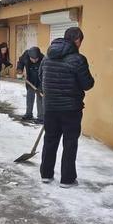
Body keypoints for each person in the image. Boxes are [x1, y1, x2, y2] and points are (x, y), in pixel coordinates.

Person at [39, 27, 94, 188]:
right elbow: (87, 84)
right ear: (77, 40)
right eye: (80, 41)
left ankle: (46, 174)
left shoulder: (47, 57)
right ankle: (67, 179)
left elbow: (41, 77)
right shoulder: (78, 59)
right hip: (71, 108)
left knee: (50, 140)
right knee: (69, 143)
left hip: (50, 107)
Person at [17, 46, 44, 123]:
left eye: (36, 59)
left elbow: (45, 74)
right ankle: (29, 114)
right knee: (29, 97)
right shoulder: (26, 55)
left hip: (40, 81)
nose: (34, 61)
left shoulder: (43, 59)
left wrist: (42, 86)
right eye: (32, 59)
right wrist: (19, 70)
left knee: (40, 99)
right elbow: (20, 62)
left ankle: (41, 118)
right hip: (30, 80)